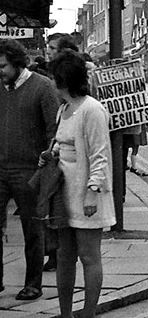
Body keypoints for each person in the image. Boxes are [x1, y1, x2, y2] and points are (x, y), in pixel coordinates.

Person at [44, 51, 115, 318]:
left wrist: (92, 192)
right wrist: (51, 154)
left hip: (86, 194)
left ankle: (87, 314)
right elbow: (61, 145)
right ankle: (65, 314)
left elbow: (100, 154)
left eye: (54, 76)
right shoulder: (63, 109)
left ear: (63, 79)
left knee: (88, 257)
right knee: (64, 256)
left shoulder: (92, 109)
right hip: (64, 194)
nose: (51, 81)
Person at [0, 39, 60, 300]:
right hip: (0, 169)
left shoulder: (42, 87)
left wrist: (43, 168)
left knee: (32, 230)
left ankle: (33, 283)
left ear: (16, 63)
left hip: (29, 171)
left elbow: (54, 132)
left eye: (2, 65)